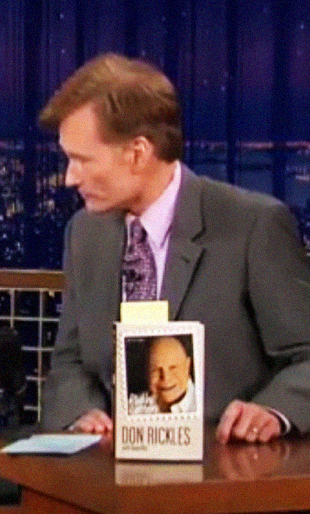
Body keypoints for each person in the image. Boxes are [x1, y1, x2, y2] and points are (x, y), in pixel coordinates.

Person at [39, 53, 310, 442]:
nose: (69, 178)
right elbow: (70, 362)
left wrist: (271, 411)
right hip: (111, 478)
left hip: (220, 474)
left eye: (82, 160)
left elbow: (306, 357)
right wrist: (82, 413)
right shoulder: (85, 233)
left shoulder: (252, 226)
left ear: (137, 153)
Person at [128, 335, 196, 414]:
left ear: (188, 366)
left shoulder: (205, 403)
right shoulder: (133, 406)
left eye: (173, 368)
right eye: (155, 370)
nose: (166, 378)